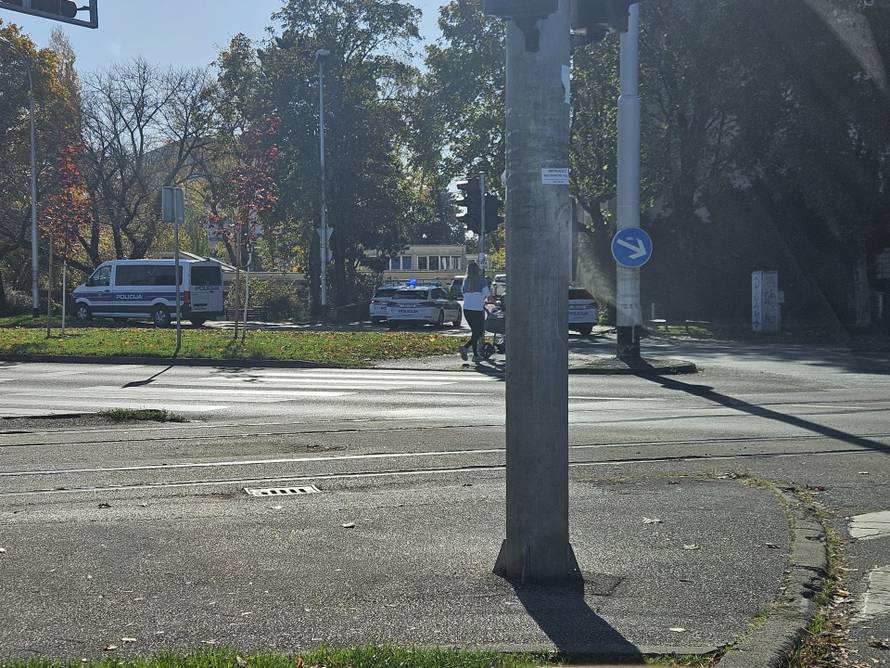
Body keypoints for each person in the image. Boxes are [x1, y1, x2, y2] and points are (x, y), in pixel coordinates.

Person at [459, 261, 490, 364]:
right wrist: (495, 302)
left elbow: (463, 293)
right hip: (477, 310)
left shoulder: (465, 281)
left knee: (475, 332)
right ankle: (466, 347)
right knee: (479, 332)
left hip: (467, 310)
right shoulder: (482, 281)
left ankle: (475, 355)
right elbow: (487, 294)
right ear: (477, 270)